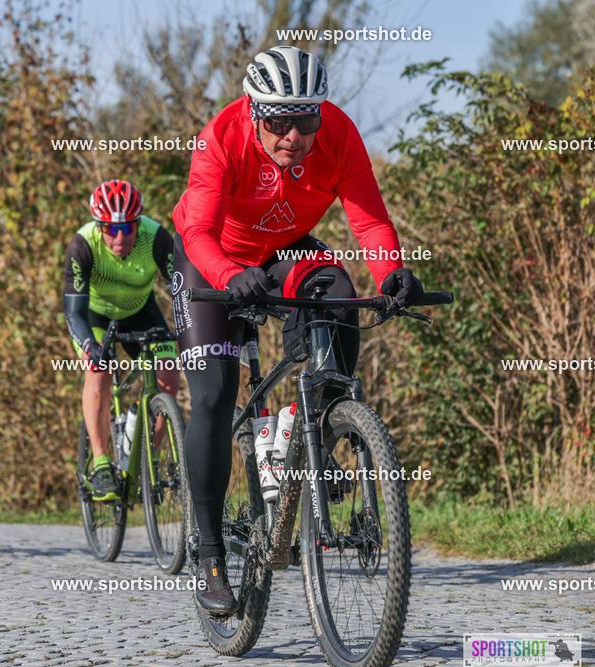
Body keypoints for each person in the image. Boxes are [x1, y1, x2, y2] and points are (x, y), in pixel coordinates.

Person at [170, 46, 424, 615]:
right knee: (212, 393)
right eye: (279, 122)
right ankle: (208, 551)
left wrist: (392, 275)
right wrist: (232, 275)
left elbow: (369, 219)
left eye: (305, 120)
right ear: (255, 113)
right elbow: (201, 233)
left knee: (338, 292)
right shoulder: (221, 138)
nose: (293, 135)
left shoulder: (338, 134)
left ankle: (316, 426)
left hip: (283, 251)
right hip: (211, 258)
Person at [63, 179, 179, 501]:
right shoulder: (82, 245)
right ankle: (101, 464)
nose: (120, 237)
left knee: (169, 374)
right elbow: (73, 313)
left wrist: (190, 328)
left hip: (140, 310)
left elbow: (181, 290)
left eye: (128, 227)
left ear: (137, 223)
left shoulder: (155, 237)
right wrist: (90, 347)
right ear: (99, 226)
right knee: (99, 371)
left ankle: (146, 461)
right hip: (96, 318)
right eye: (110, 229)